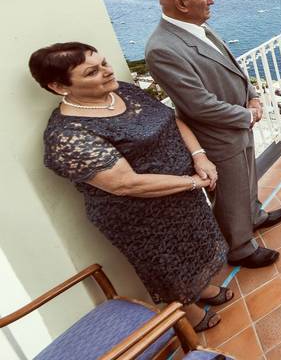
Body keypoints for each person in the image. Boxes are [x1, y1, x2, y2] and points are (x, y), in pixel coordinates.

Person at [29, 42, 230, 331]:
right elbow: (126, 184)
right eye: (92, 72)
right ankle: (189, 311)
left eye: (105, 63)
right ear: (60, 86)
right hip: (140, 218)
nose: (107, 71)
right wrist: (192, 182)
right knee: (168, 263)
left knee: (196, 247)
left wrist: (199, 156)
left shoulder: (122, 90)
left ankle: (203, 289)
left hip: (183, 196)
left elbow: (170, 120)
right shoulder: (67, 135)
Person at [145, 0, 281, 269]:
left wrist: (253, 97)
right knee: (230, 192)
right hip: (218, 134)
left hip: (239, 123)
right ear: (183, 4)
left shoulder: (199, 28)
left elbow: (233, 67)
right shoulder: (163, 49)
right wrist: (245, 115)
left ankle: (255, 217)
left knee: (248, 177)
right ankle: (239, 247)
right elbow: (198, 104)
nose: (211, 0)